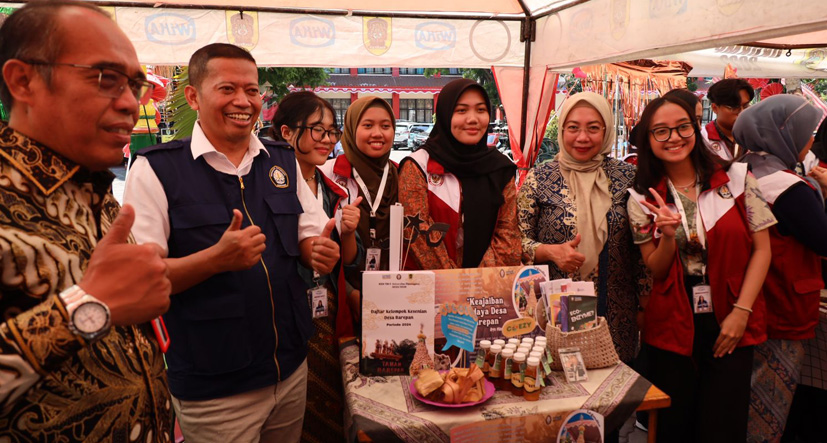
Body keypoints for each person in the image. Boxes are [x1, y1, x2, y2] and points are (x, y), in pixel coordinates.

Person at [123, 44, 340, 442]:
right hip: (216, 387)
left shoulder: (281, 160)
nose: (243, 101)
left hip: (290, 369)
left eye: (253, 90)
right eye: (227, 89)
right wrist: (215, 259)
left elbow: (310, 233)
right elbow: (140, 282)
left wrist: (318, 251)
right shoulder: (156, 169)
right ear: (193, 96)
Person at [0, 2, 173, 441]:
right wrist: (86, 308)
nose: (132, 104)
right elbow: (100, 303)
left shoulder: (98, 195)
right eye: (106, 79)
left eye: (135, 86)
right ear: (24, 80)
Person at [627, 95, 775, 443]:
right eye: (660, 132)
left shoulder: (738, 179)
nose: (674, 138)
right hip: (673, 320)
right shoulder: (641, 198)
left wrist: (742, 312)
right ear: (648, 140)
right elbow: (656, 269)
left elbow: (763, 250)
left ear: (695, 128)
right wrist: (665, 233)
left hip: (732, 310)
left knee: (723, 421)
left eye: (682, 127)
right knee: (675, 423)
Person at [518, 92, 645, 363]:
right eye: (573, 127)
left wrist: (645, 304)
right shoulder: (540, 178)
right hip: (556, 315)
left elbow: (642, 251)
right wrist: (550, 252)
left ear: (607, 130)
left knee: (613, 393)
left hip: (616, 313)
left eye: (593, 128)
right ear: (562, 129)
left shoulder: (628, 178)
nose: (583, 137)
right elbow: (517, 242)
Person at [269, 91, 364, 442]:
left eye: (331, 131)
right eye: (317, 130)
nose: (327, 139)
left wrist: (349, 232)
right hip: (287, 311)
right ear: (286, 133)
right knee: (296, 407)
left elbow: (349, 258)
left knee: (329, 398)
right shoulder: (269, 188)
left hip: (329, 309)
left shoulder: (332, 188)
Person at [732, 95, 826, 443]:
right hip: (784, 303)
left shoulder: (743, 170)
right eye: (807, 132)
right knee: (768, 407)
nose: (812, 140)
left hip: (752, 301)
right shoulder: (788, 188)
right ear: (783, 134)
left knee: (749, 398)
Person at [398, 78, 520, 269]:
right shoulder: (418, 166)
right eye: (461, 110)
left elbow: (508, 234)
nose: (473, 119)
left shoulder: (500, 168)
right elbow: (417, 233)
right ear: (445, 115)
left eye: (480, 110)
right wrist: (455, 282)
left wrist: (479, 281)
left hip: (487, 289)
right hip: (433, 288)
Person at [320, 96, 398, 274]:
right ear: (352, 128)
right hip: (341, 285)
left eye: (385, 126)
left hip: (394, 286)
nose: (378, 133)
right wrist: (349, 292)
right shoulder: (327, 174)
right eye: (368, 125)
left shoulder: (401, 175)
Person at [704, 78, 755, 160]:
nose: (742, 112)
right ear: (715, 108)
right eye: (734, 107)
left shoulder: (756, 137)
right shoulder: (702, 139)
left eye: (745, 106)